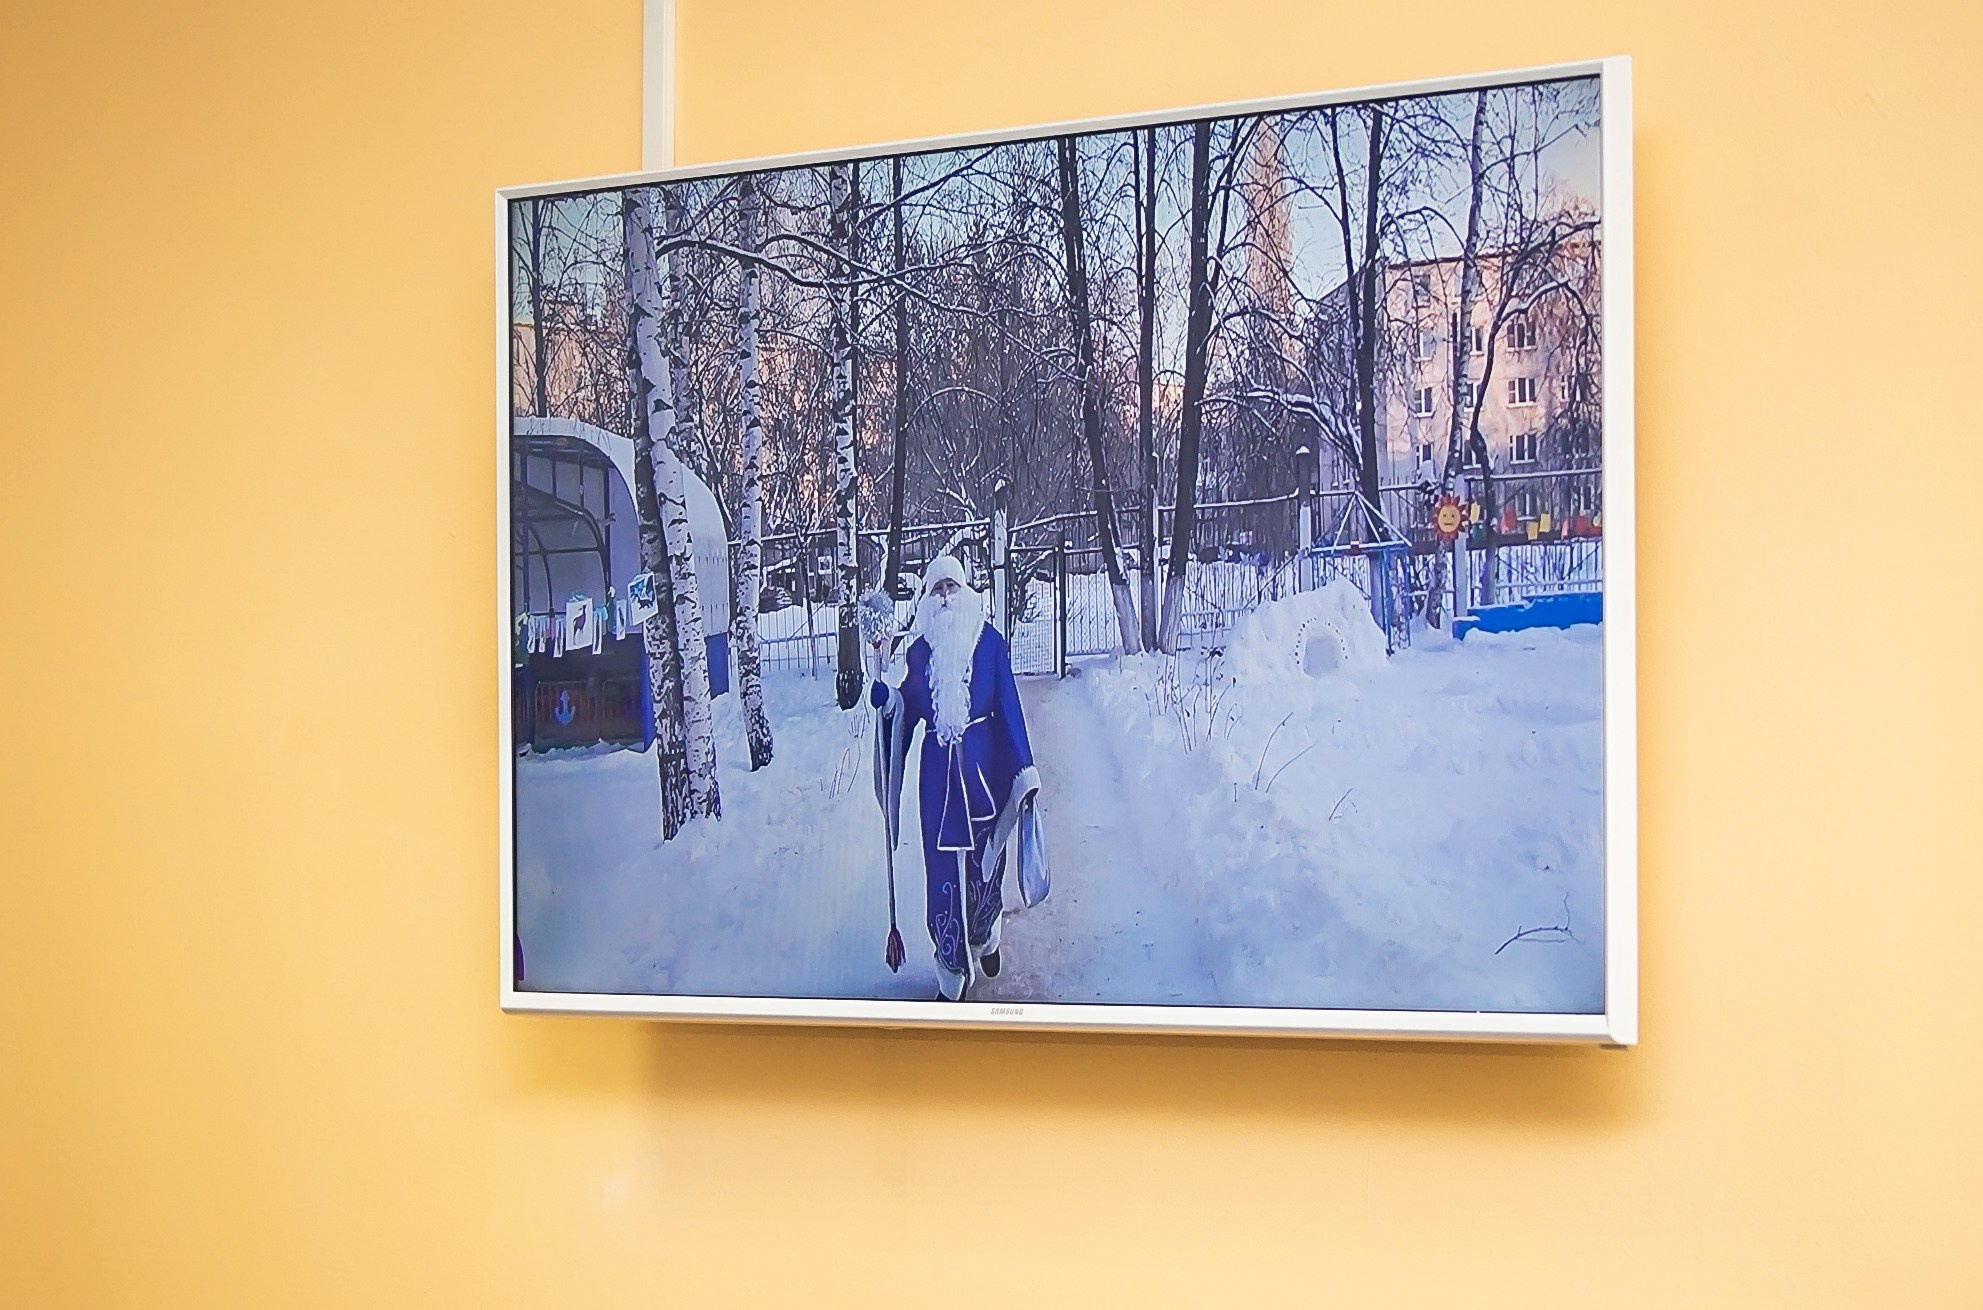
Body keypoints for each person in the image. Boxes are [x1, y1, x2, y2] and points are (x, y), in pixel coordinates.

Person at [871, 554, 1040, 1000]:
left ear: (965, 593)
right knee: (943, 869)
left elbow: (1009, 708)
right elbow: (907, 707)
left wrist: (1024, 770)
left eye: (952, 587)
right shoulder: (919, 652)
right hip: (939, 782)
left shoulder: (990, 644)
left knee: (985, 866)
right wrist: (887, 702)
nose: (945, 596)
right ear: (927, 599)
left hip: (985, 773)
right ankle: (950, 964)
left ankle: (985, 935)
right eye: (937, 589)